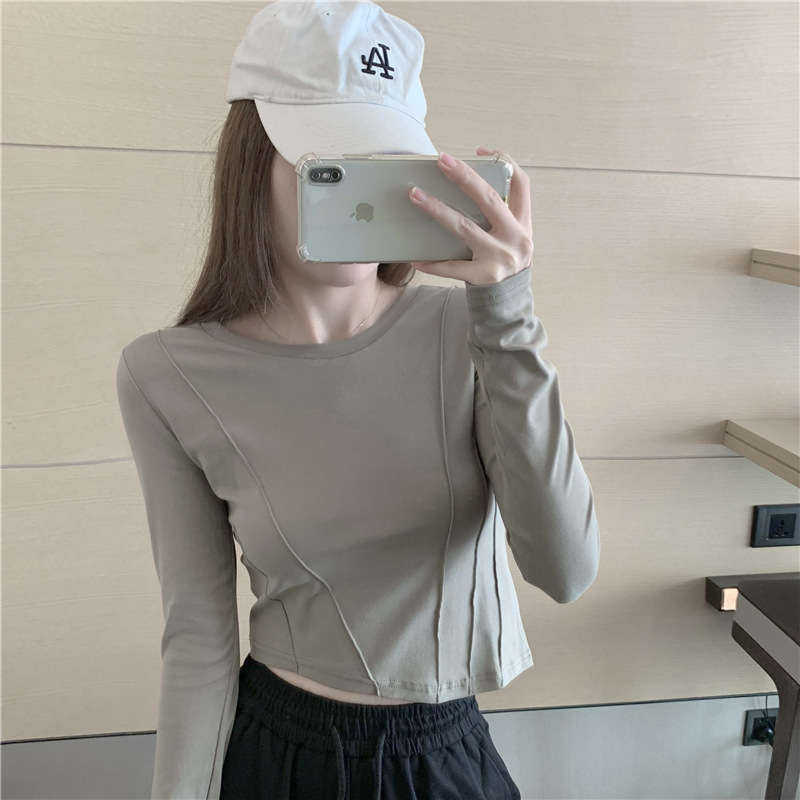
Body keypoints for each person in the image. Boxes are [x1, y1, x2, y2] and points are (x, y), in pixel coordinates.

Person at [115, 1, 601, 798]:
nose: (361, 198)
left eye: (384, 165)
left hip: (444, 752)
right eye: (328, 163)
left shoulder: (473, 333)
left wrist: (508, 313)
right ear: (253, 161)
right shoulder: (167, 373)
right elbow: (197, 632)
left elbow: (565, 568)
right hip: (279, 754)